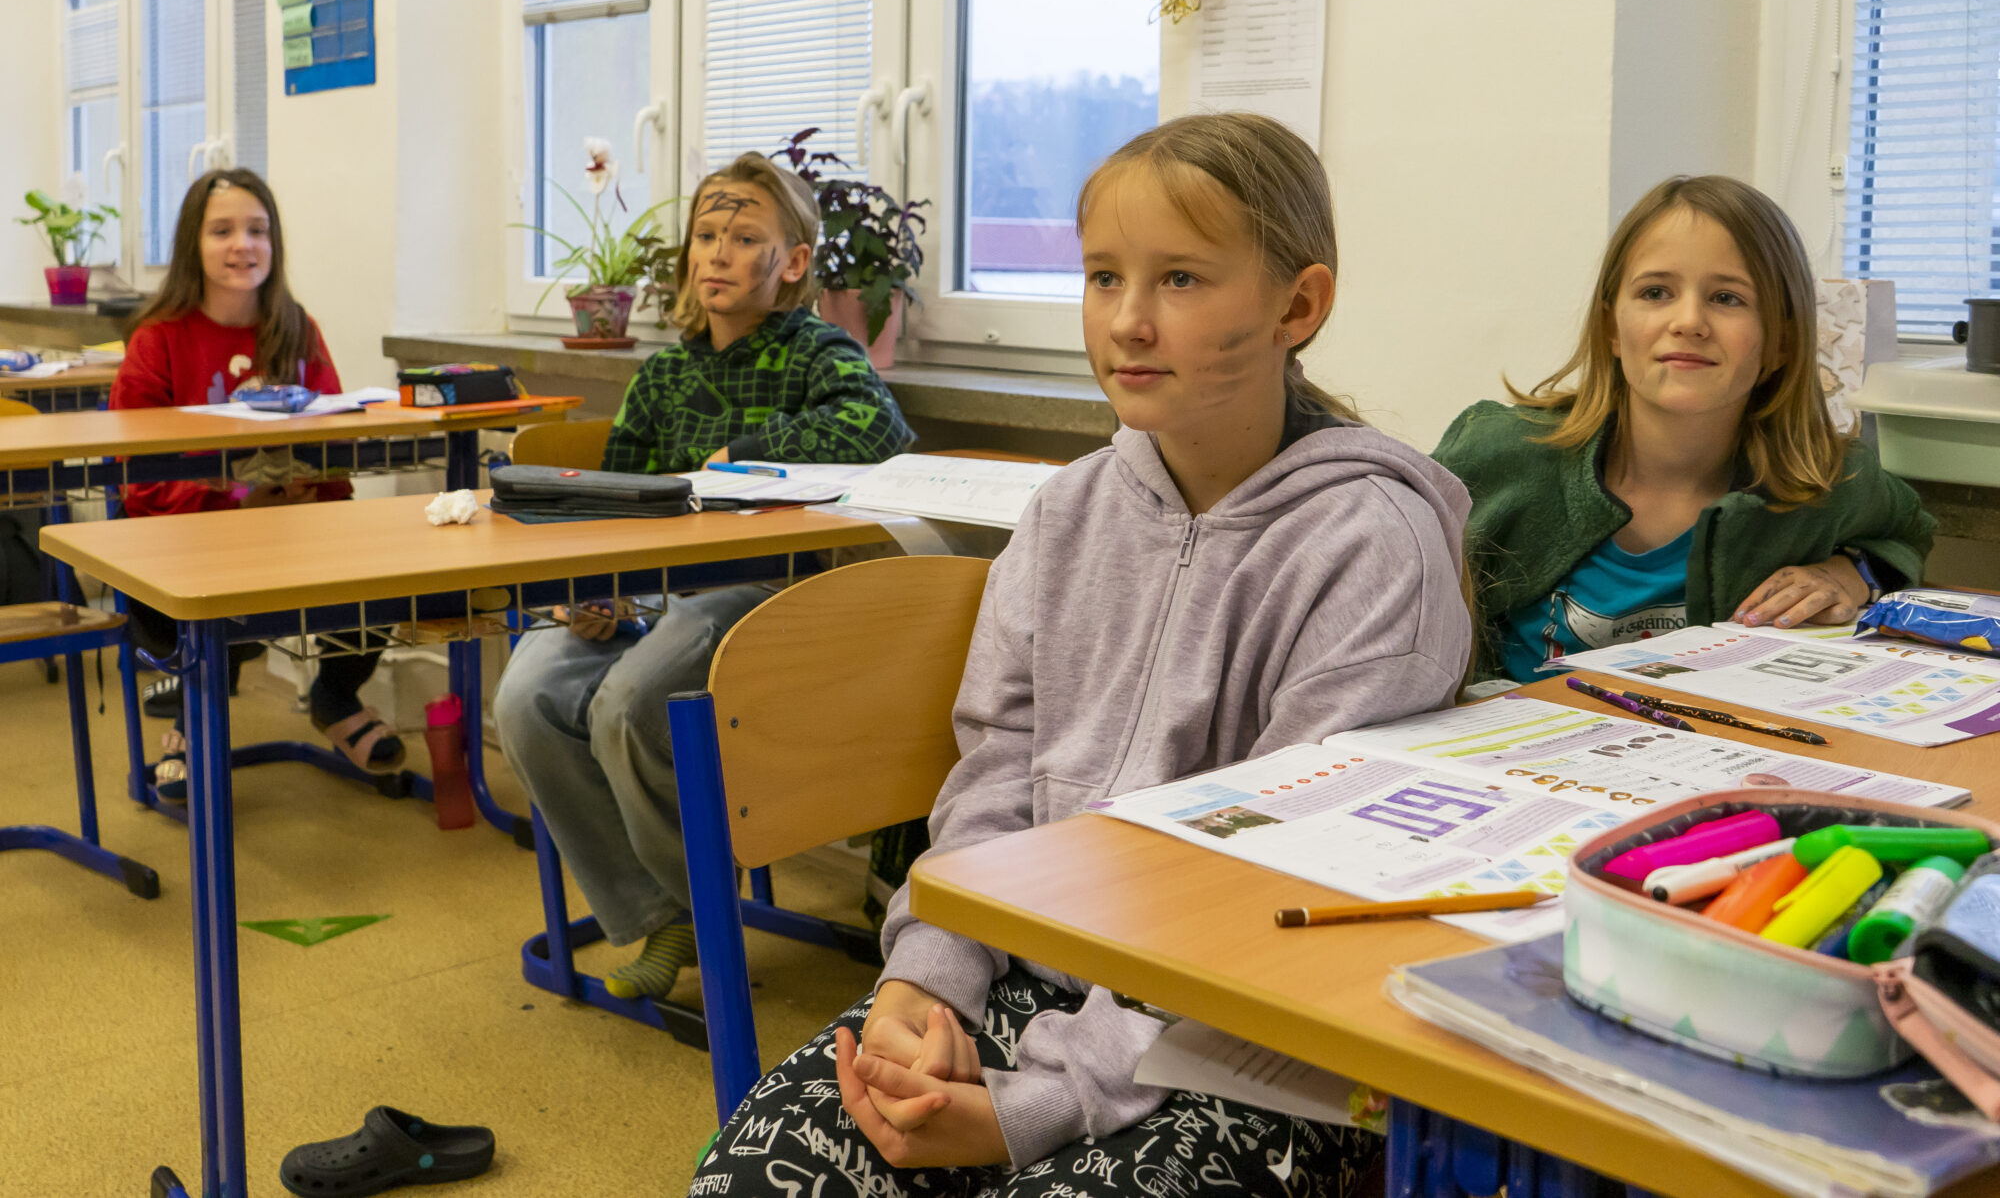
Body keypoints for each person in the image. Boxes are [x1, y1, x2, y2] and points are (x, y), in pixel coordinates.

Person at [688, 114, 1472, 1197]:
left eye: (1181, 279)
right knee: (752, 1180)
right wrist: (927, 980)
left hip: (1250, 1033)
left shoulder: (1371, 543)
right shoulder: (1066, 513)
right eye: (1104, 277)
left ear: (1297, 307)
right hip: (1028, 969)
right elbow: (998, 767)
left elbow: (1283, 881)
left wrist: (1038, 1103)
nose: (1128, 320)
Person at [496, 151, 915, 1002]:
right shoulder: (664, 376)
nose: (719, 252)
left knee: (629, 705)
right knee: (525, 697)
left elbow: (879, 428)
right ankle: (659, 910)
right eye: (706, 235)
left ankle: (691, 909)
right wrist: (594, 591)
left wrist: (748, 452)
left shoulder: (815, 350)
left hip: (768, 596)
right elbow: (609, 505)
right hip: (657, 596)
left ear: (793, 262)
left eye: (745, 237)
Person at [1434, 175, 1934, 685]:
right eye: (1655, 292)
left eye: (1727, 298)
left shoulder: (1828, 479)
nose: (1689, 321)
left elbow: (1907, 534)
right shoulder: (1496, 454)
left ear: (1781, 341)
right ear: (1611, 328)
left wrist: (1850, 573)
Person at [110, 168, 400, 783]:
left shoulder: (297, 327)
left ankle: (335, 696)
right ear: (193, 244)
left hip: (289, 536)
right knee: (218, 610)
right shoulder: (157, 340)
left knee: (385, 558)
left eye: (258, 230)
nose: (243, 245)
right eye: (222, 231)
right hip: (188, 546)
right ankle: (192, 715)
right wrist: (234, 503)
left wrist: (309, 486)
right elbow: (136, 481)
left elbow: (335, 451)